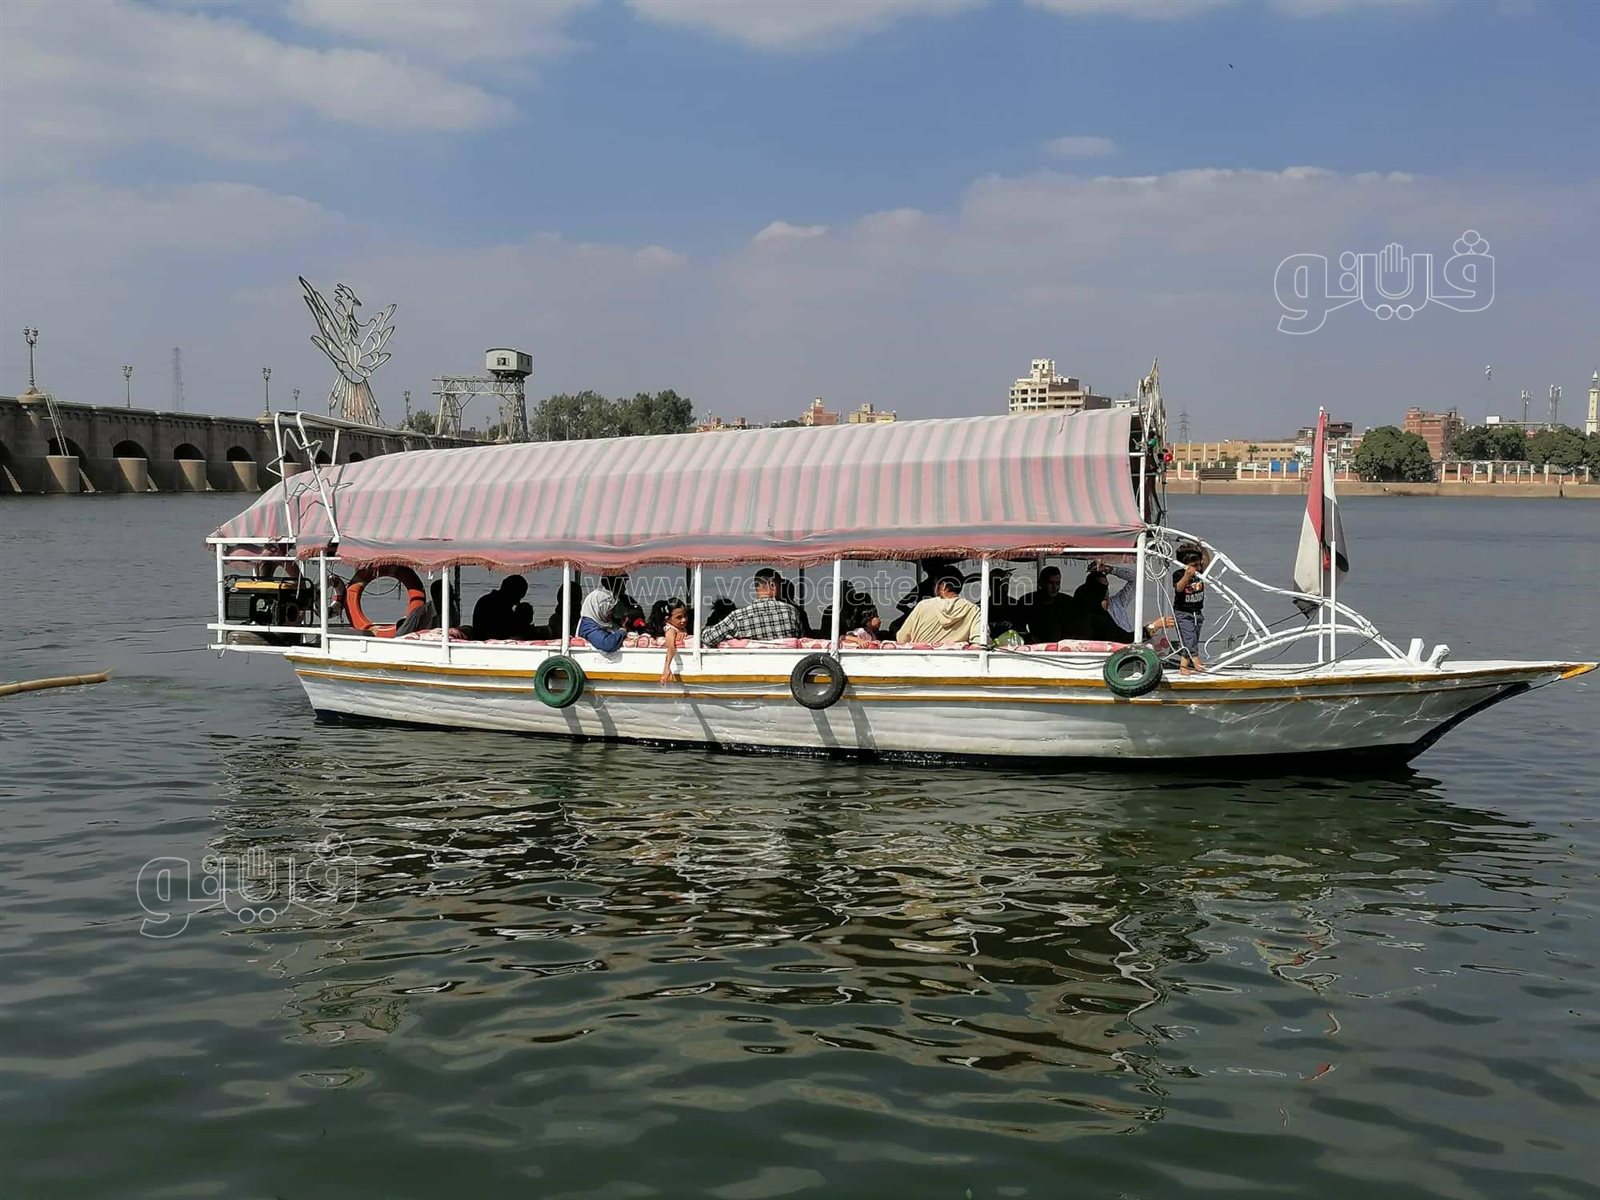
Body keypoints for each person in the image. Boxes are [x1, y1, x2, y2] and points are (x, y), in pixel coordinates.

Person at [701, 568, 802, 647]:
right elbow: (802, 639)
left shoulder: (738, 616)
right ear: (772, 586)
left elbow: (707, 637)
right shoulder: (792, 612)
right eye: (780, 586)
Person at [896, 575, 984, 647]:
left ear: (943, 585)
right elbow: (980, 640)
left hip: (922, 659)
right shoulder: (972, 609)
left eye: (935, 584)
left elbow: (902, 638)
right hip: (956, 660)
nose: (933, 588)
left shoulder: (923, 606)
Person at [1171, 542, 1209, 673]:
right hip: (1183, 612)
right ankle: (1197, 661)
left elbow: (1206, 561)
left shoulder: (1200, 572)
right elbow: (1179, 588)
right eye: (1194, 565)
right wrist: (1187, 576)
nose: (1198, 568)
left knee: (1191, 640)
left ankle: (1183, 666)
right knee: (1189, 638)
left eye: (1199, 564)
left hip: (1197, 612)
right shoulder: (1178, 574)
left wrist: (1203, 548)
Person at [1016, 566, 1076, 643]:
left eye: (1057, 583)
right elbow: (1019, 627)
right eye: (1051, 583)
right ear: (1041, 583)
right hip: (1034, 646)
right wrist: (1029, 638)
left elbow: (1074, 630)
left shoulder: (1067, 602)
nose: (1055, 587)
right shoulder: (1028, 601)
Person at [577, 575, 629, 652]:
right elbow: (607, 645)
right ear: (600, 610)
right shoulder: (588, 627)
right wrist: (622, 631)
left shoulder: (600, 623)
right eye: (610, 610)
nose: (612, 614)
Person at [472, 575, 527, 640]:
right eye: (518, 597)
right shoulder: (500, 607)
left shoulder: (486, 600)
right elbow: (505, 631)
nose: (518, 602)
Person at [656, 597, 689, 684]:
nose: (684, 620)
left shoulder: (680, 627)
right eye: (679, 617)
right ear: (668, 619)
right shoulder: (670, 630)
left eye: (685, 615)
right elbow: (671, 648)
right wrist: (667, 667)